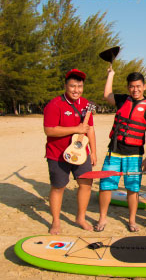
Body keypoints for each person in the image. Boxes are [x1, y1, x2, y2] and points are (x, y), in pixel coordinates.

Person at [95, 67, 146, 232]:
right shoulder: (123, 100)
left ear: (144, 86)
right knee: (105, 185)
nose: (135, 89)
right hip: (114, 150)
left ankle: (132, 220)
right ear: (128, 87)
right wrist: (111, 75)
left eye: (138, 86)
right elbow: (107, 95)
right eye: (131, 86)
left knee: (133, 188)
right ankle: (102, 218)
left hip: (134, 154)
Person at [43, 69, 97, 235]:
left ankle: (80, 217)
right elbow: (49, 130)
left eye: (79, 86)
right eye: (73, 86)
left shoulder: (86, 104)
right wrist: (76, 128)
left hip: (82, 153)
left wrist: (93, 152)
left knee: (86, 184)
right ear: (66, 85)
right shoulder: (54, 105)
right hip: (57, 154)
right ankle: (56, 222)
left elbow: (90, 129)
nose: (76, 90)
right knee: (59, 187)